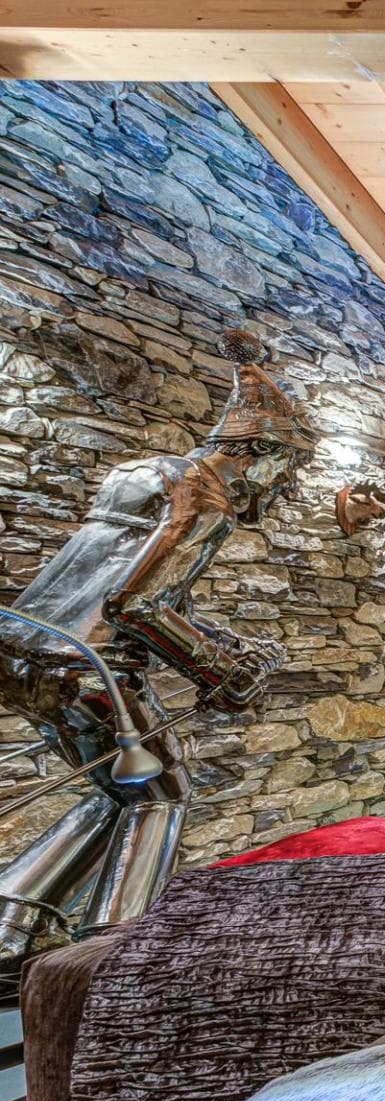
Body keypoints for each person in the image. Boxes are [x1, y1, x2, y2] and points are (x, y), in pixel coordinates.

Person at [0, 330, 321, 977]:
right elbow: (132, 607)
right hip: (87, 668)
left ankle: (10, 924)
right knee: (162, 795)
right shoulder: (202, 497)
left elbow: (141, 585)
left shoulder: (148, 477)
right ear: (255, 451)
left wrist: (220, 640)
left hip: (24, 654)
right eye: (285, 467)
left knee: (120, 790)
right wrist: (222, 671)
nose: (284, 486)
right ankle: (119, 948)